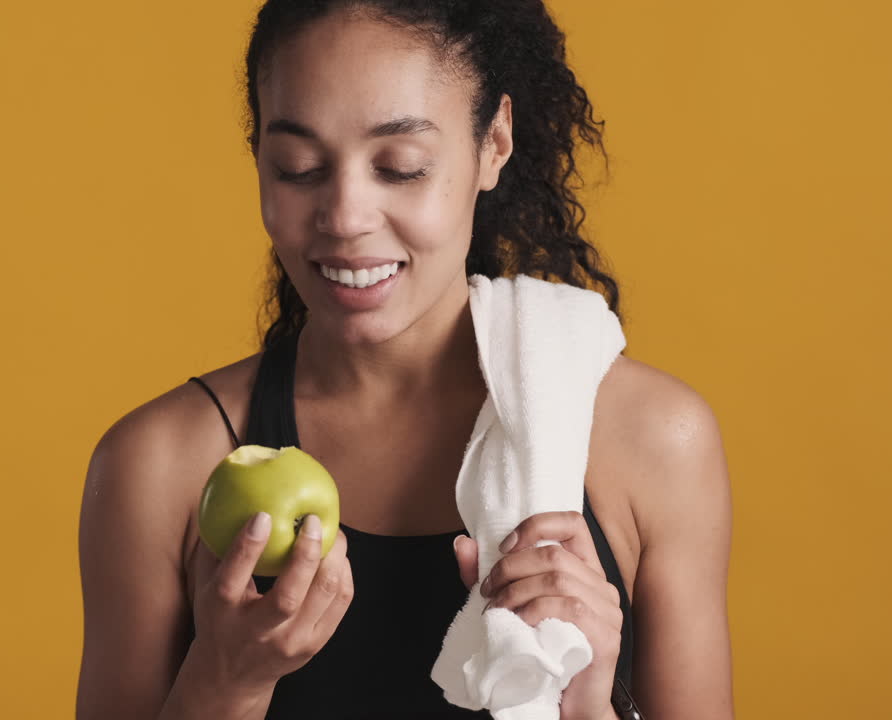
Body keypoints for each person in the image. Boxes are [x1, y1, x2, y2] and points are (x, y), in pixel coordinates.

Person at [76, 1, 734, 718]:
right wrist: (224, 680)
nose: (346, 216)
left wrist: (585, 705)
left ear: (495, 144)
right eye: (298, 169)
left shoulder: (652, 444)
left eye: (401, 167)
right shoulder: (159, 466)